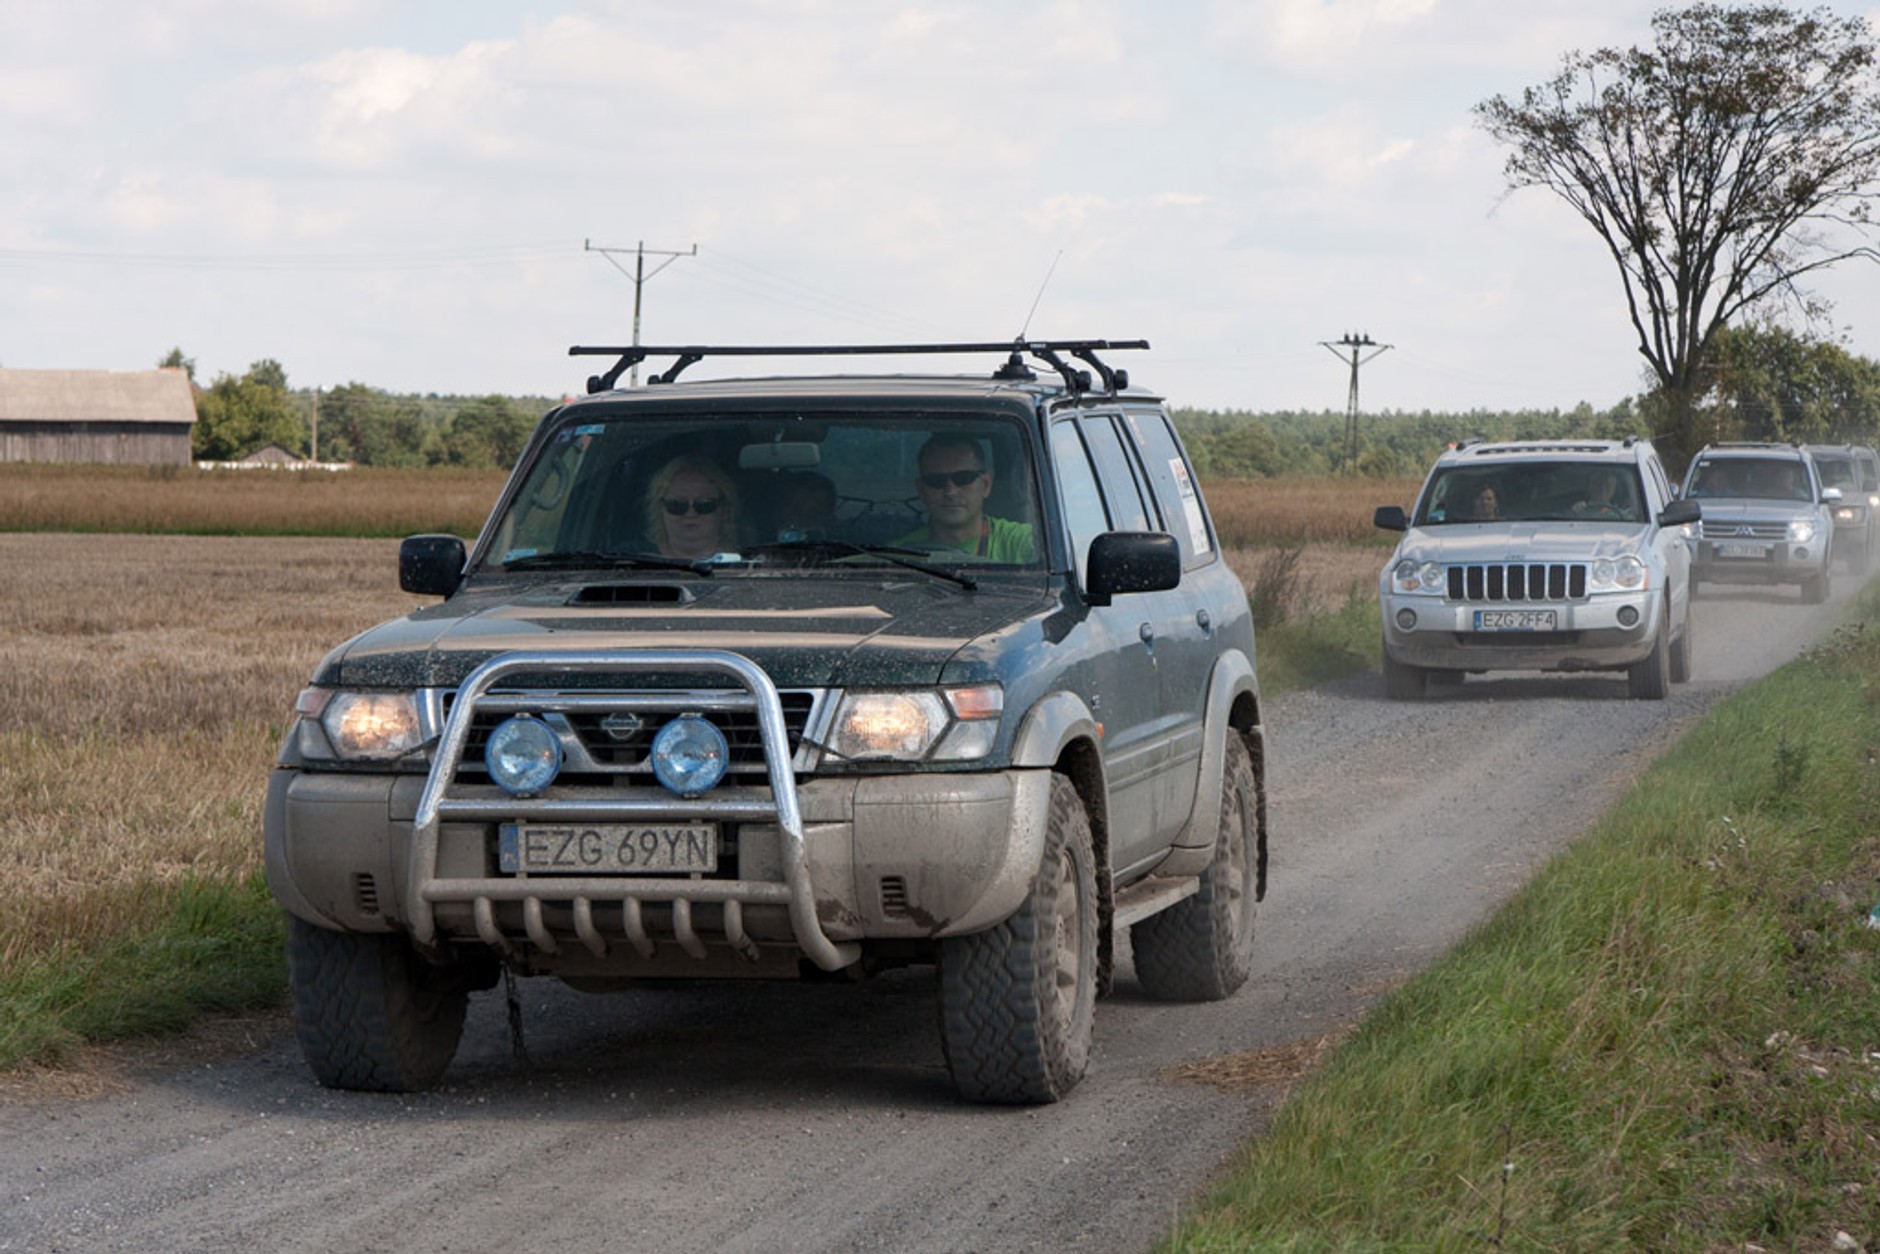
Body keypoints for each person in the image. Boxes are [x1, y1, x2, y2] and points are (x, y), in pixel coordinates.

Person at [895, 434, 1035, 561]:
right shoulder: (896, 556)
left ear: (986, 485)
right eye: (936, 481)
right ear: (921, 490)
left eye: (963, 478)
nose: (950, 491)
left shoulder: (1023, 542)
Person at [645, 454, 739, 559]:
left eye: (704, 504)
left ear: (724, 510)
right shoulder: (631, 562)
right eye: (677, 505)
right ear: (660, 509)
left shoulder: (750, 564)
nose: (690, 514)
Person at [770, 471, 838, 541]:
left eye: (812, 515)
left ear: (829, 519)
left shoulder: (845, 549)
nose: (802, 523)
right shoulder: (760, 548)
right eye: (795, 512)